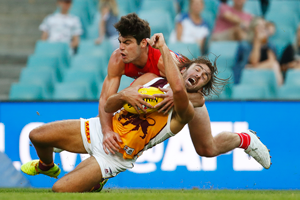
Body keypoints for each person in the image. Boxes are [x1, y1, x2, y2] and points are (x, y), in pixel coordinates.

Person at [20, 33, 218, 192]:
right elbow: (109, 105)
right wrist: (126, 94)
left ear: (201, 87)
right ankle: (47, 166)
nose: (199, 75)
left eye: (204, 77)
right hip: (100, 130)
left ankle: (96, 179)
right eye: (198, 69)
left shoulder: (185, 111)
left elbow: (179, 90)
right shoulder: (150, 77)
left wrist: (163, 48)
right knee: (36, 136)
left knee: (60, 189)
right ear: (184, 70)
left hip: (116, 155)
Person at [98, 13, 271, 171]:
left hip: (188, 93)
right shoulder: (117, 59)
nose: (121, 47)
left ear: (143, 43)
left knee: (207, 148)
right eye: (120, 41)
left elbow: (199, 98)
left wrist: (177, 95)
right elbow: (105, 99)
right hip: (164, 93)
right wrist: (106, 131)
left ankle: (245, 139)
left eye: (126, 42)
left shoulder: (162, 61)